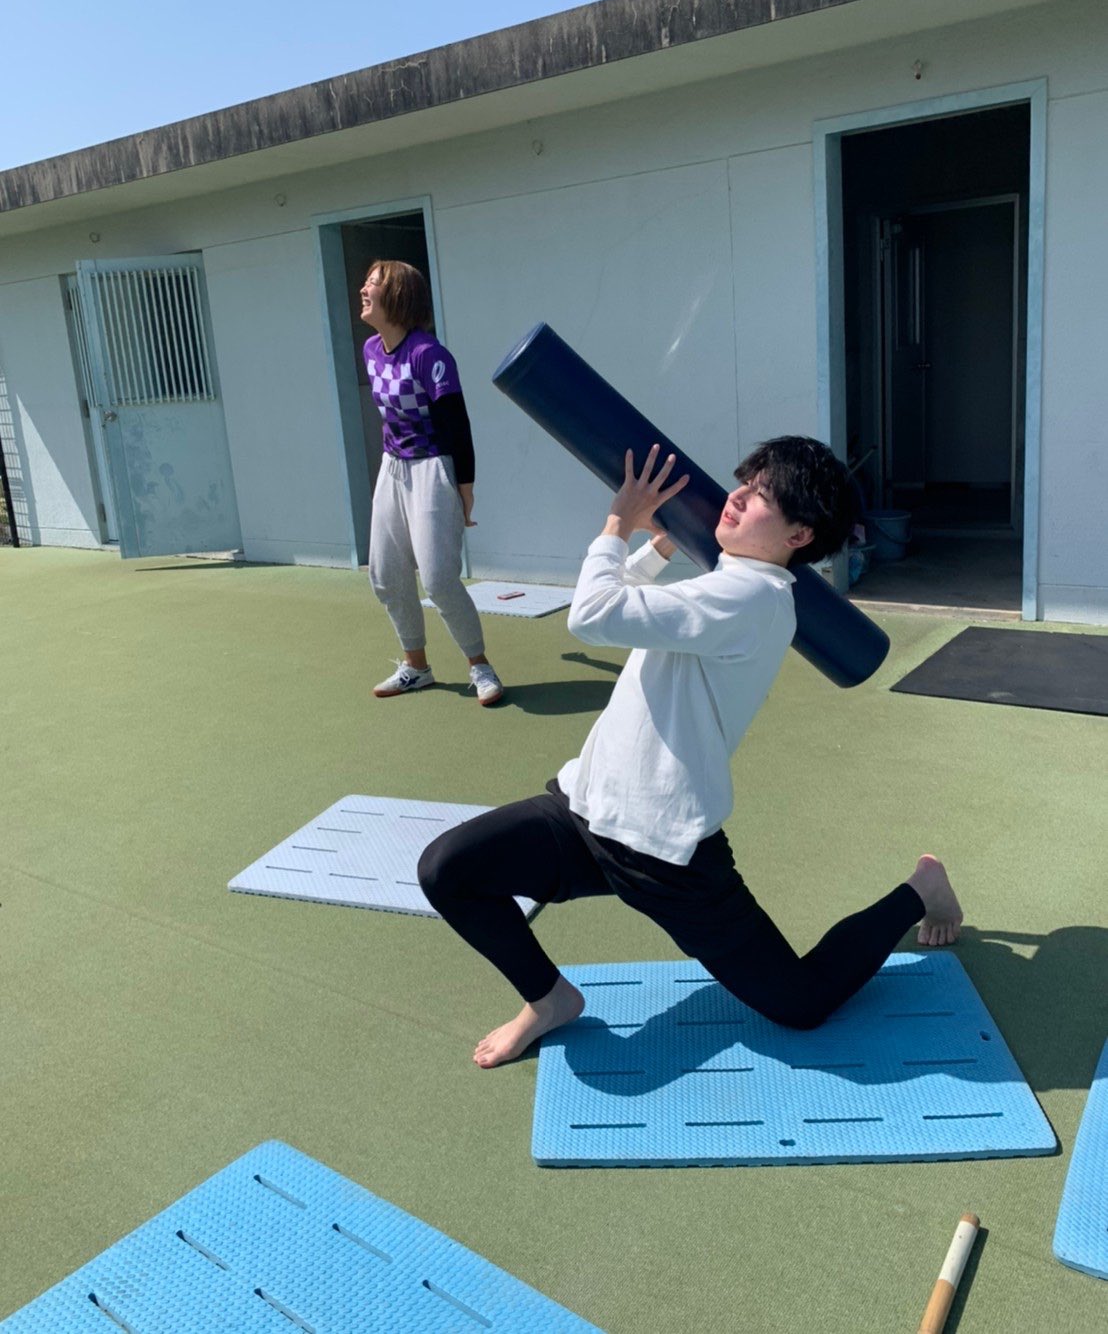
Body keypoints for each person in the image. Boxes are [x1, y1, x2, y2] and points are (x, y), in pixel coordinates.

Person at [418, 435, 962, 1067]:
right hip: (587, 811)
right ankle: (549, 999)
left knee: (803, 1002)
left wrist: (619, 522)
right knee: (448, 869)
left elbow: (593, 614)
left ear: (799, 534)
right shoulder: (731, 582)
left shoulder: (753, 598)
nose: (738, 497)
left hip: (664, 854)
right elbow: (641, 605)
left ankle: (920, 890)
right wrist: (662, 545)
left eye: (763, 495)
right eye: (745, 482)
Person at [360, 260, 502, 705]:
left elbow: (457, 424)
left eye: (373, 284)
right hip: (392, 467)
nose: (363, 290)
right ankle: (416, 667)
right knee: (385, 574)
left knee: (439, 578)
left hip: (433, 467)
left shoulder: (429, 355)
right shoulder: (370, 350)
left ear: (397, 296)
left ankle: (480, 666)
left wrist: (464, 488)